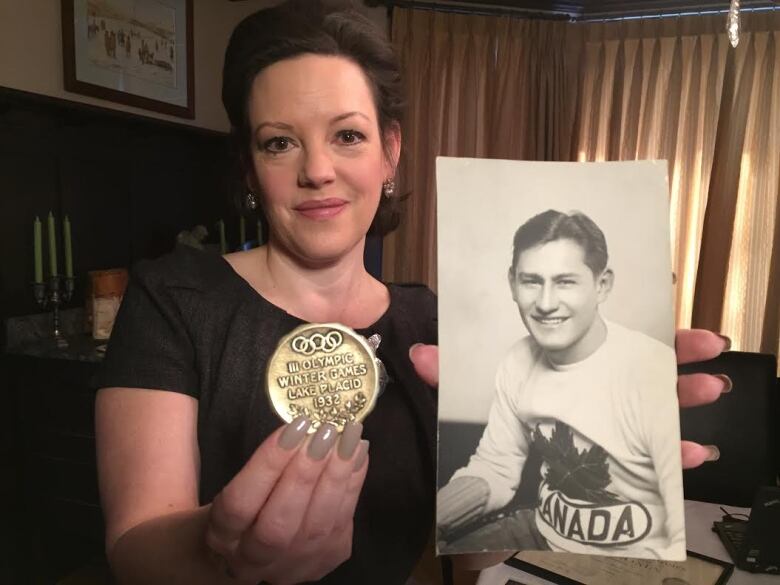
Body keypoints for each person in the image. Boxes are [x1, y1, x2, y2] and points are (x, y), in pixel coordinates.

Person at [93, 1, 731, 583]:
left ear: (389, 152)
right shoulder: (175, 296)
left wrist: (541, 476)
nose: (317, 170)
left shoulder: (434, 321)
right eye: (280, 142)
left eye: (348, 135)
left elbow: (469, 549)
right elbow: (134, 547)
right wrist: (217, 551)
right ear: (250, 169)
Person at [437, 210, 696, 560]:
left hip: (633, 558)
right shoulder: (518, 360)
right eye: (531, 281)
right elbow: (497, 467)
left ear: (602, 285)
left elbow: (677, 528)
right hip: (540, 532)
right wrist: (435, 516)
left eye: (565, 282)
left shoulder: (650, 370)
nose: (545, 304)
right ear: (512, 283)